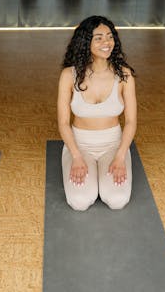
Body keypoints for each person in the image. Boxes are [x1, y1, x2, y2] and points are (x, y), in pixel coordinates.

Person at [57, 15, 137, 211]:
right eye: (99, 38)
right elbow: (63, 123)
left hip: (113, 144)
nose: (106, 42)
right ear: (86, 42)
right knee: (80, 201)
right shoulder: (69, 75)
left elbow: (131, 121)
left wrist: (119, 156)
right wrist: (76, 156)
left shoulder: (124, 75)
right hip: (79, 144)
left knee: (117, 199)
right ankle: (90, 174)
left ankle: (104, 176)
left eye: (110, 37)